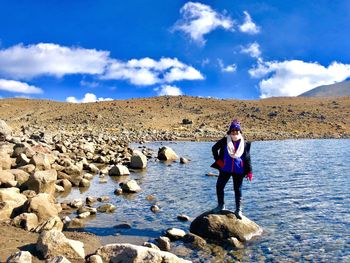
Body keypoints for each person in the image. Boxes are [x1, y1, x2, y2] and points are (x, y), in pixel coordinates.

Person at [211, 119, 253, 219]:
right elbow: (214, 148)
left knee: (238, 189)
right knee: (219, 186)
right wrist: (218, 161)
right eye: (232, 131)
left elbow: (247, 158)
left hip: (239, 170)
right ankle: (221, 205)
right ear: (229, 132)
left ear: (240, 132)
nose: (234, 133)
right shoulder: (225, 141)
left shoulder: (245, 144)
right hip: (225, 168)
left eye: (236, 131)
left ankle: (238, 210)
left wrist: (249, 171)